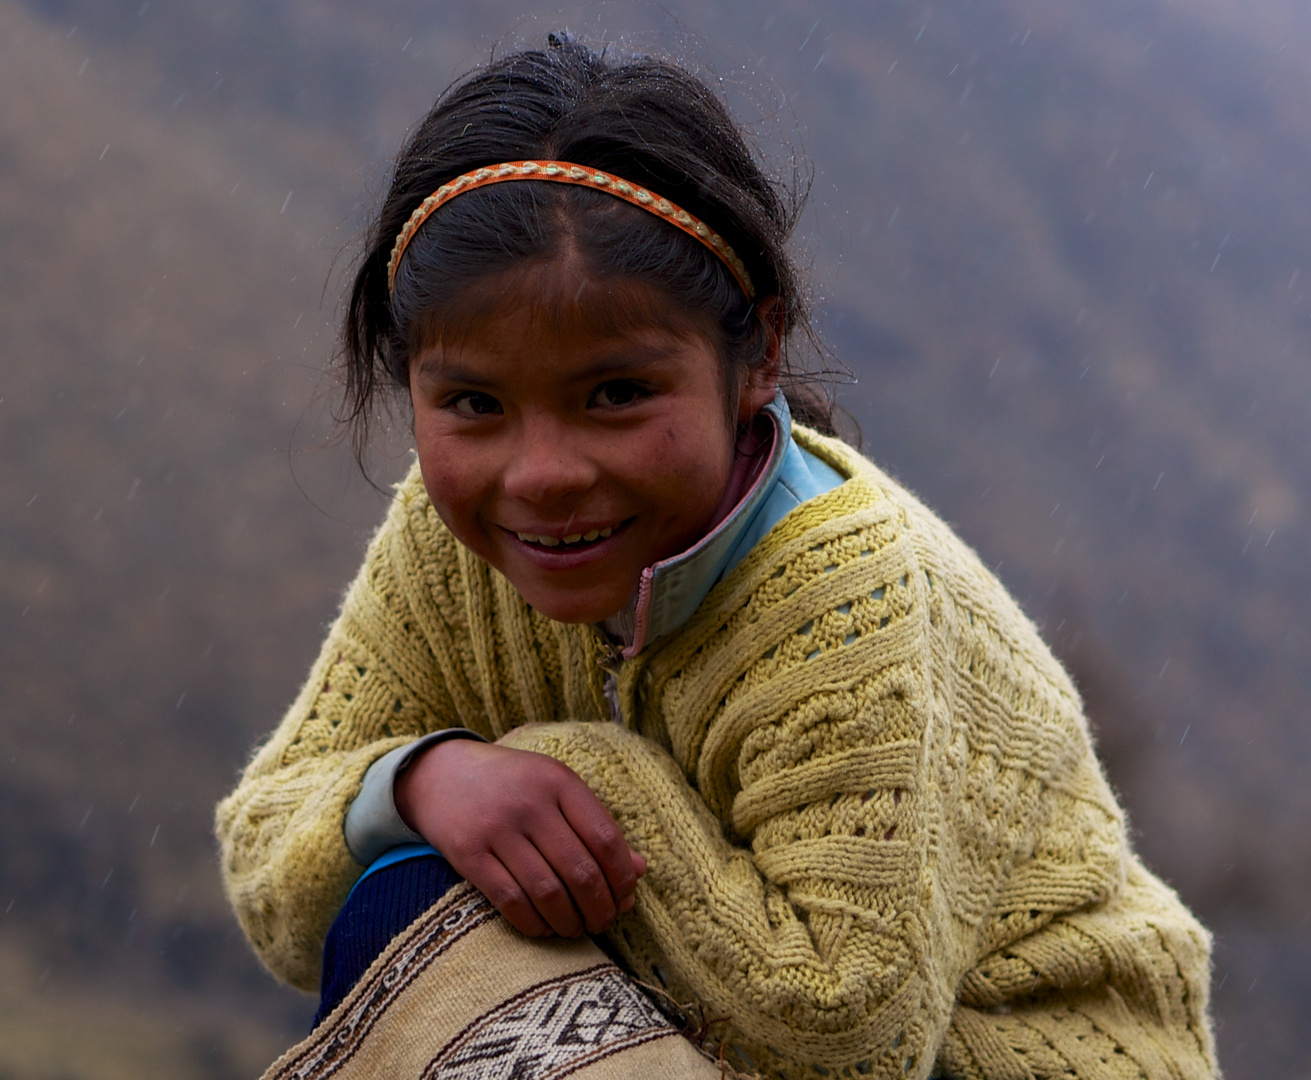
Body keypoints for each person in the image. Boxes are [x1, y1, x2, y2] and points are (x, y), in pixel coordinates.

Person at [216, 37, 1218, 1080]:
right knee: (404, 889)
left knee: (455, 892)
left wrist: (574, 778)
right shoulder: (452, 539)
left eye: (616, 394)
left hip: (1009, 1060)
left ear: (759, 357)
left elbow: (850, 1040)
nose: (543, 473)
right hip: (698, 1028)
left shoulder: (842, 599)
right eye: (475, 404)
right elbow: (270, 868)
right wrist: (422, 780)